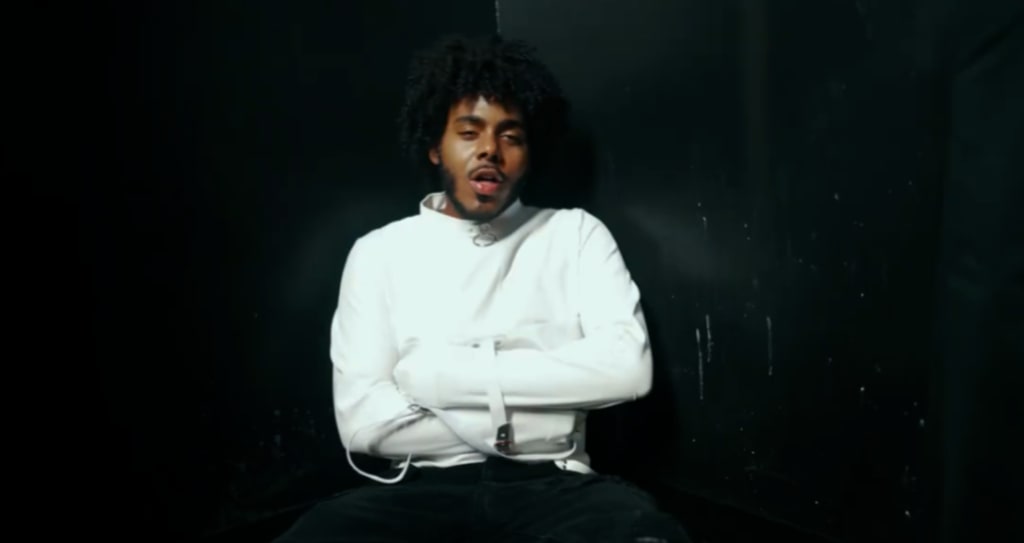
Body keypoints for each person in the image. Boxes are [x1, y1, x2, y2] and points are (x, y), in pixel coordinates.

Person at [274, 34, 691, 543]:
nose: (490, 149)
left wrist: (436, 379)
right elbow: (364, 424)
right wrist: (544, 420)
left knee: (645, 533)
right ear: (435, 146)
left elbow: (627, 369)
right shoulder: (378, 252)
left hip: (557, 487)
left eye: (510, 136)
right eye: (469, 132)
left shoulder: (576, 234)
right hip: (417, 491)